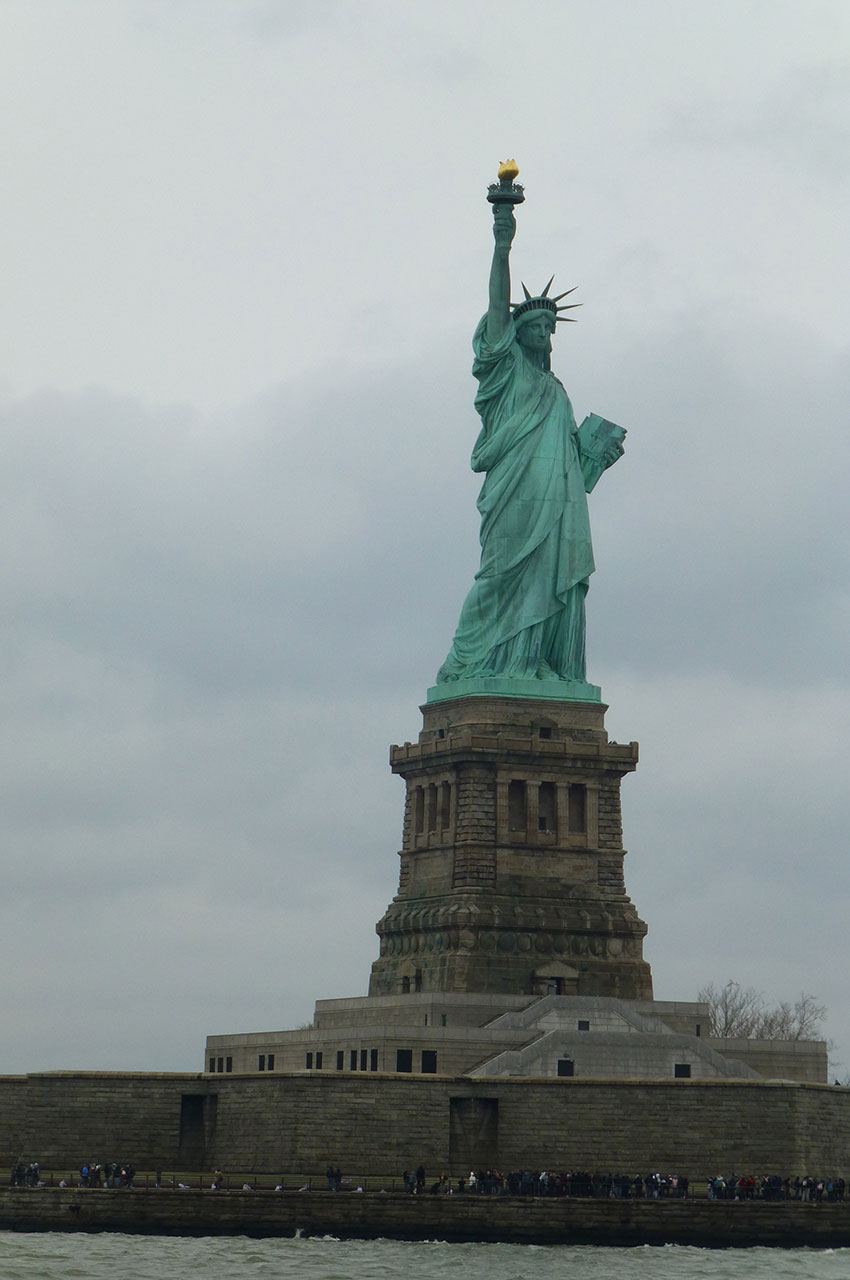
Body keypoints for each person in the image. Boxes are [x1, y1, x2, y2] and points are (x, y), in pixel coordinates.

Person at [436, 200, 623, 687]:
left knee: (548, 577)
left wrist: (597, 456)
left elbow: (572, 468)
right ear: (515, 335)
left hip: (559, 505)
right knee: (500, 577)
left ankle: (534, 660)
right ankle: (474, 663)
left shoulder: (557, 391)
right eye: (533, 326)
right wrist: (503, 243)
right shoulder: (505, 372)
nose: (542, 332)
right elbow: (498, 308)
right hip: (514, 495)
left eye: (549, 327)